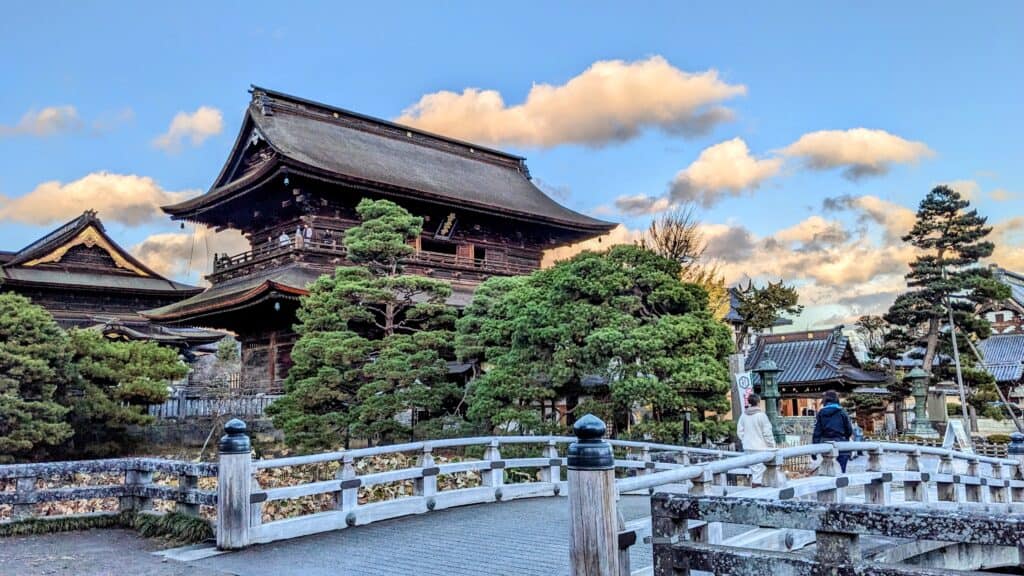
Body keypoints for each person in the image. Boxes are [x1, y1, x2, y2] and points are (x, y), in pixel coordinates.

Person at [737, 393, 776, 487]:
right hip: (760, 447)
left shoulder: (743, 415)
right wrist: (772, 445)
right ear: (758, 402)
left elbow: (740, 431)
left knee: (754, 471)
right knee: (760, 472)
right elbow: (767, 433)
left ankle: (755, 488)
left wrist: (745, 440)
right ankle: (758, 491)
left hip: (748, 447)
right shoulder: (761, 416)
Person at [812, 390, 855, 472]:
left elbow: (817, 433)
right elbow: (849, 430)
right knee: (841, 472)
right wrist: (845, 437)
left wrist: (814, 451)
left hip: (826, 446)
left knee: (829, 472)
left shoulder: (821, 413)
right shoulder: (842, 412)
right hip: (842, 445)